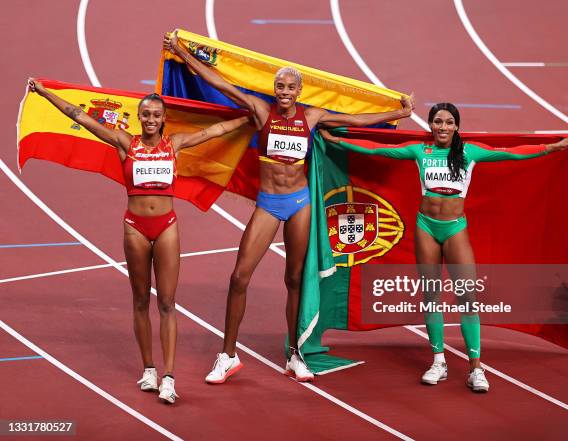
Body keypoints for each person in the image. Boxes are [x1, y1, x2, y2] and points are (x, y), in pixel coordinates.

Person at [164, 32, 414, 383]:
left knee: (294, 278)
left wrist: (399, 112)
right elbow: (218, 82)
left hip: (300, 204)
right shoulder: (260, 109)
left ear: (298, 92)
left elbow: (357, 121)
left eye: (289, 87)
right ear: (275, 88)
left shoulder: (312, 118)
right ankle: (227, 355)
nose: (283, 92)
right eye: (279, 86)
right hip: (269, 203)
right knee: (239, 277)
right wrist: (181, 53)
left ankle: (295, 354)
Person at [320, 102, 568, 392]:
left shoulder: (470, 152)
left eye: (448, 122)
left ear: (456, 126)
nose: (443, 127)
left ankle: (475, 368)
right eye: (438, 122)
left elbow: (510, 155)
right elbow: (376, 149)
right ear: (430, 125)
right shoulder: (420, 151)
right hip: (426, 227)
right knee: (431, 296)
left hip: (455, 229)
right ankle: (438, 361)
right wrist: (337, 141)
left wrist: (549, 149)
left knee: (467, 298)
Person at [28, 78, 250, 402]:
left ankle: (170, 377)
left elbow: (214, 132)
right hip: (135, 227)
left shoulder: (174, 144)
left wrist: (247, 119)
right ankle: (149, 370)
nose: (150, 120)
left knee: (167, 303)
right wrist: (46, 93)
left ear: (163, 119)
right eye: (145, 114)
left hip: (167, 226)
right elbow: (79, 116)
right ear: (139, 117)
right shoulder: (124, 143)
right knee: (141, 301)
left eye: (155, 115)